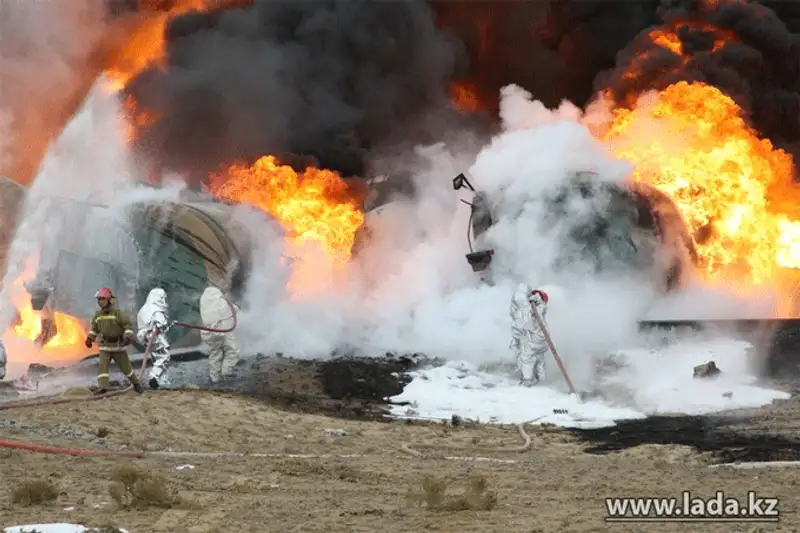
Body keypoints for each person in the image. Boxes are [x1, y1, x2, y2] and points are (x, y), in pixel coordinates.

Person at [85, 287, 144, 394]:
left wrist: (127, 337)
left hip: (118, 346)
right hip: (105, 346)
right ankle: (103, 387)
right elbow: (94, 329)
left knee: (126, 368)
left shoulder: (118, 314)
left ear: (109, 300)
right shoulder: (98, 315)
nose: (100, 302)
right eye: (99, 299)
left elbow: (128, 327)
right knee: (102, 368)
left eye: (102, 299)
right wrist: (90, 338)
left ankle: (136, 384)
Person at [509, 283, 550, 387]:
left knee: (527, 358)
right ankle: (542, 379)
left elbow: (525, 323)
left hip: (536, 337)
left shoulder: (537, 309)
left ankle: (527, 380)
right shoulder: (539, 308)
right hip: (541, 337)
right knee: (539, 358)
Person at [199, 286, 240, 384]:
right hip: (223, 331)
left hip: (208, 333)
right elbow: (234, 309)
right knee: (232, 351)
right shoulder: (222, 303)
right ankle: (226, 372)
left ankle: (215, 378)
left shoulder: (204, 306)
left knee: (215, 354)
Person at [136, 288, 171, 390]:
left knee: (156, 356)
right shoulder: (156, 310)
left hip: (144, 337)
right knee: (164, 356)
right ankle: (154, 376)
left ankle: (162, 380)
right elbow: (162, 324)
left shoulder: (144, 309)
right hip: (154, 336)